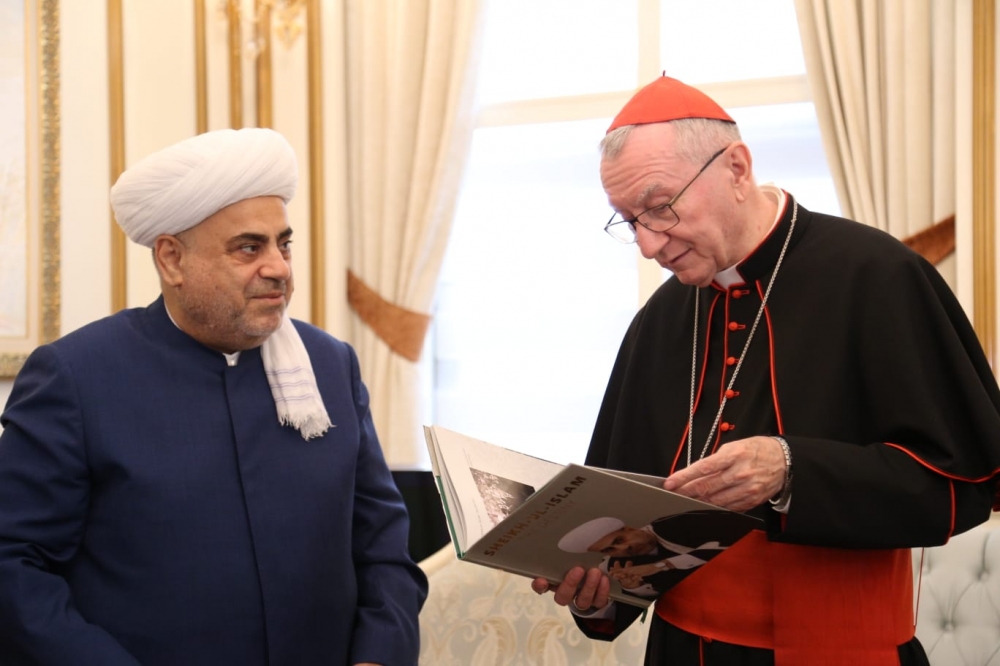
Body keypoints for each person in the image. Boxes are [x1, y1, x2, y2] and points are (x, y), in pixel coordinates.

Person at [530, 75, 1000, 665]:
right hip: (682, 652)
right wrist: (597, 588)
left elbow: (963, 484)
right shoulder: (662, 317)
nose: (648, 245)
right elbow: (626, 516)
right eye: (629, 221)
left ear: (737, 168)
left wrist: (791, 468)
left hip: (840, 652)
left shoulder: (877, 275)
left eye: (661, 207)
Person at [0, 128, 427, 666]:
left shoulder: (329, 365)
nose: (279, 267)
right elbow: (14, 565)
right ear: (172, 259)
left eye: (283, 243)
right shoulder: (77, 377)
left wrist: (377, 657)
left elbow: (383, 548)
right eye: (249, 247)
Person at [557, 511, 753, 599]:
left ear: (631, 528)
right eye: (610, 549)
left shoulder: (678, 524)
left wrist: (659, 566)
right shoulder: (616, 566)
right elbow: (660, 597)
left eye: (620, 539)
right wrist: (635, 587)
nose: (624, 548)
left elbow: (734, 543)